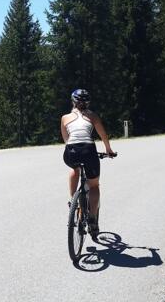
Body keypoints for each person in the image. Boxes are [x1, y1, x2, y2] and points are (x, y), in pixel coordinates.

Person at [61, 88, 115, 237]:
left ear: (73, 102)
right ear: (88, 102)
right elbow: (102, 134)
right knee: (94, 185)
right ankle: (92, 218)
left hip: (71, 151)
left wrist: (73, 149)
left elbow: (66, 138)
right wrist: (109, 150)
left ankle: (73, 200)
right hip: (88, 151)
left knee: (75, 169)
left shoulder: (65, 117)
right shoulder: (92, 116)